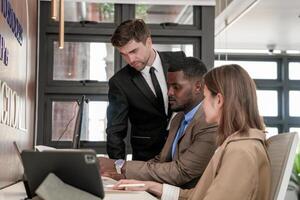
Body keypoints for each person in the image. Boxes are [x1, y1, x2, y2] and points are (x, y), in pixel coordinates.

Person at [113, 64, 271, 200]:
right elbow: (197, 195)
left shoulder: (240, 151)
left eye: (205, 96)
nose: (203, 104)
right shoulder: (239, 145)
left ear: (219, 100)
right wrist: (151, 186)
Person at [99, 57, 218, 189]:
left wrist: (121, 166)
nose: (169, 93)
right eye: (168, 86)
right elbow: (160, 161)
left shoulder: (210, 123)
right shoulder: (178, 118)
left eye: (176, 87)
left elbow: (181, 171)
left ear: (198, 87)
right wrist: (124, 177)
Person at [107, 19, 186, 161]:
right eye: (124, 54)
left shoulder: (179, 60)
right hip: (145, 159)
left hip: (182, 152)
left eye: (133, 51)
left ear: (148, 42)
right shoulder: (119, 82)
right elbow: (115, 131)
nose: (130, 59)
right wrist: (118, 168)